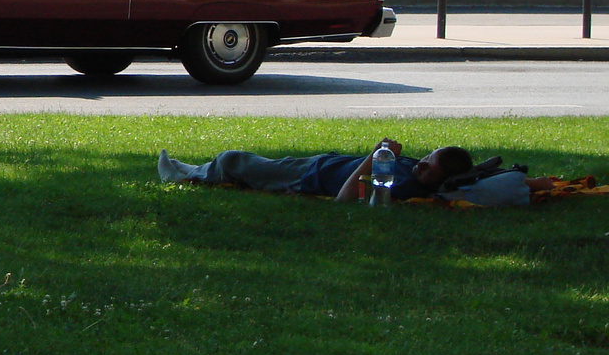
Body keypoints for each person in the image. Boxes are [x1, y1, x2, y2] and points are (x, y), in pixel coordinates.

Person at [156, 141, 475, 203]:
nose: (420, 165)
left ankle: (185, 176)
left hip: (309, 178)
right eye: (427, 158)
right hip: (318, 163)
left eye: (428, 169)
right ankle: (196, 170)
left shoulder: (402, 186)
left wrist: (377, 154)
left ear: (438, 181)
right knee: (255, 165)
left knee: (233, 159)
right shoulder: (415, 170)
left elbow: (344, 198)